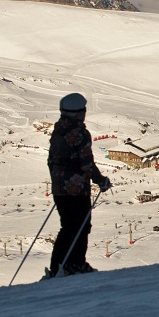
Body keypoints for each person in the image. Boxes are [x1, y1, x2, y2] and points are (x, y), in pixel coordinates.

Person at [46, 92, 111, 277]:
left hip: (59, 188)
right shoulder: (80, 133)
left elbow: (51, 160)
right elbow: (86, 163)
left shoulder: (58, 131)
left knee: (67, 226)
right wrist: (101, 180)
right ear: (79, 112)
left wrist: (57, 180)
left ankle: (58, 266)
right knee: (81, 226)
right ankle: (76, 264)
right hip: (77, 189)